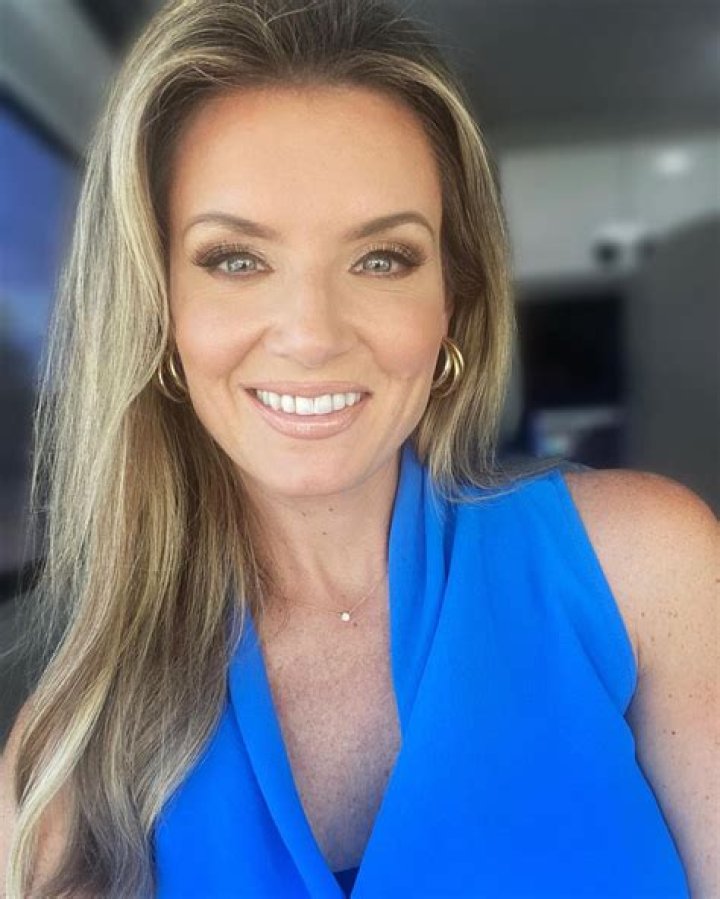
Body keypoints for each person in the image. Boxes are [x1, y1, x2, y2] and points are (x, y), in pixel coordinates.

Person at [1, 0, 717, 896]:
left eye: (382, 258)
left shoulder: (644, 570)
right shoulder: (67, 755)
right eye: (235, 259)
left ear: (451, 299)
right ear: (159, 309)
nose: (312, 334)